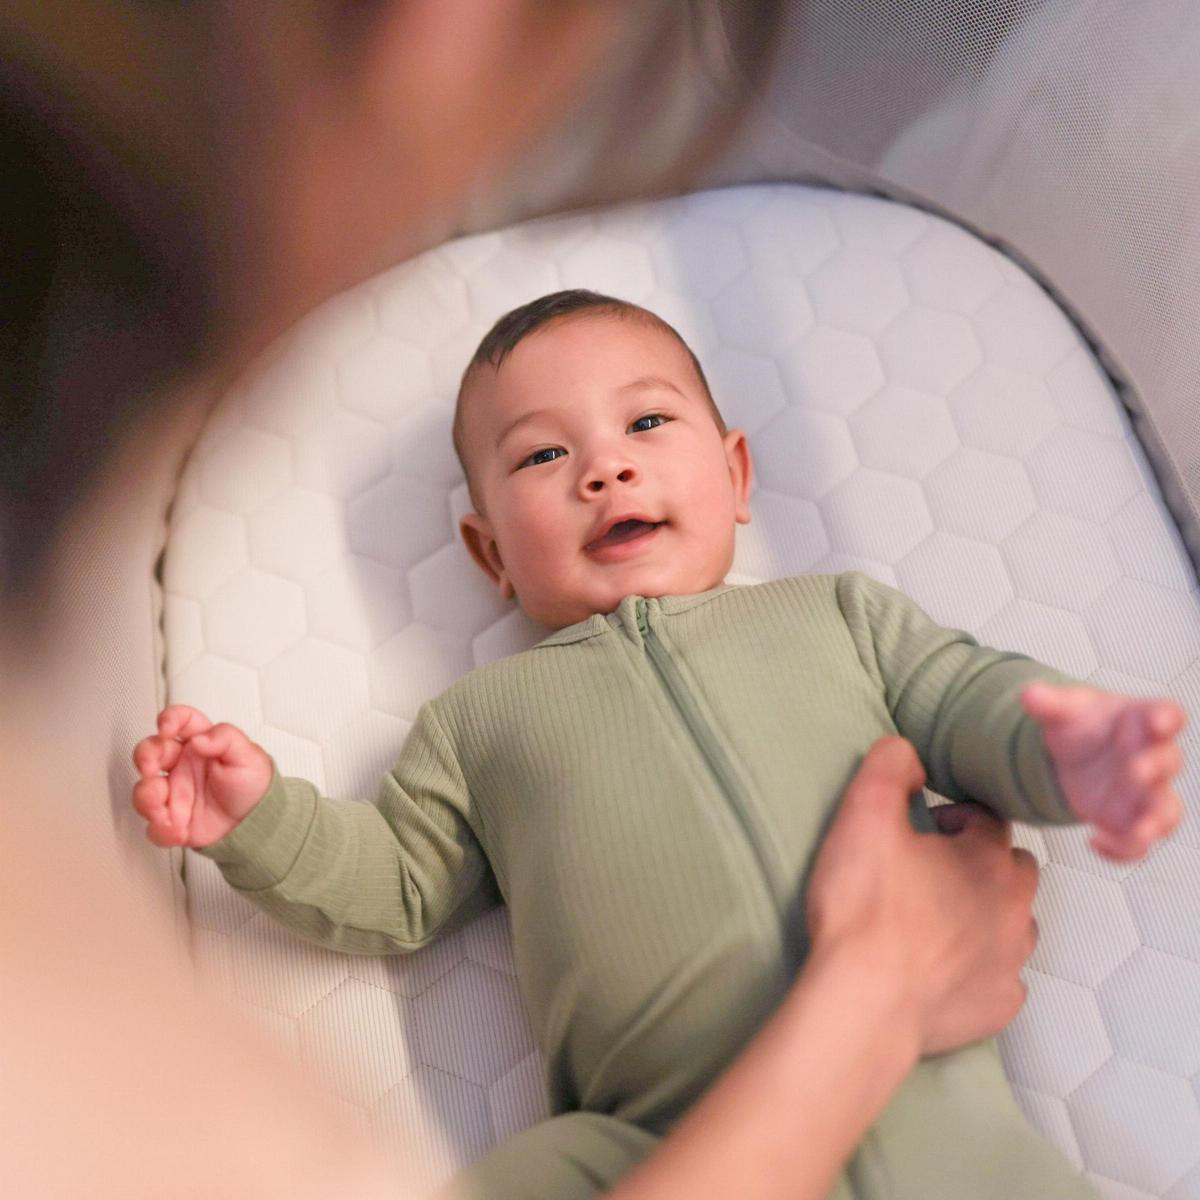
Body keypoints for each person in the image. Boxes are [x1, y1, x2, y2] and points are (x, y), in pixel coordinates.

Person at [131, 290, 1185, 1199]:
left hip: (939, 1105)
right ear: (491, 554)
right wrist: (261, 821)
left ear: (736, 474)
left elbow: (965, 700)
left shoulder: (838, 617)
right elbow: (396, 883)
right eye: (543, 455)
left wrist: (1068, 745)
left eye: (646, 422)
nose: (605, 469)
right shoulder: (478, 722)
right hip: (642, 1135)